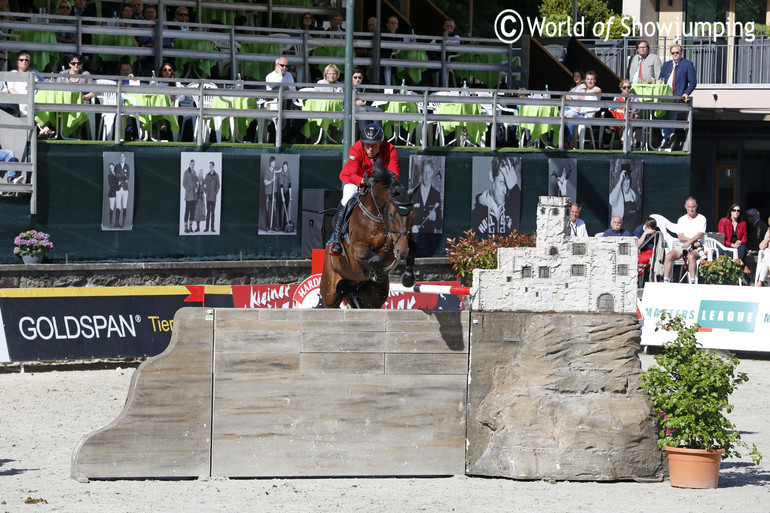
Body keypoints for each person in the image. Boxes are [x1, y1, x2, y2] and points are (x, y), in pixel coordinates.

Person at [329, 123, 399, 256]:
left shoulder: (390, 149)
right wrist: (364, 181)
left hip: (379, 182)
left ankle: (400, 237)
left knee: (398, 198)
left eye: (374, 145)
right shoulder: (355, 148)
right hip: (357, 180)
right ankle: (337, 239)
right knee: (348, 197)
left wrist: (379, 181)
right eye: (367, 145)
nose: (370, 149)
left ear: (381, 143)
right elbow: (352, 174)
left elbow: (394, 173)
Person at [657, 44, 696, 151]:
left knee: (671, 118)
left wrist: (686, 93)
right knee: (656, 115)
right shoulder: (666, 64)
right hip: (663, 96)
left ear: (681, 52)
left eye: (677, 53)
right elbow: (660, 79)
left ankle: (665, 143)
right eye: (673, 53)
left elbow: (693, 82)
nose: (675, 54)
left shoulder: (688, 64)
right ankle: (669, 136)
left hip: (677, 96)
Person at [471, 156, 521, 234]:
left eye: (509, 185)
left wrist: (514, 189)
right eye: (502, 182)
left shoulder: (514, 209)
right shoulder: (475, 216)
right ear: (491, 176)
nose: (505, 191)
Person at [663, 197, 706, 284]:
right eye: (689, 207)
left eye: (693, 207)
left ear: (696, 206)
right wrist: (691, 241)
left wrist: (690, 242)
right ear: (685, 207)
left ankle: (692, 281)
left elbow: (700, 234)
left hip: (698, 247)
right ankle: (666, 280)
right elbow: (680, 237)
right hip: (683, 246)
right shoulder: (681, 220)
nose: (691, 209)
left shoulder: (701, 218)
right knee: (668, 256)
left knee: (691, 256)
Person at [564, 70, 601, 148]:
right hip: (579, 113)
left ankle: (567, 142)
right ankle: (559, 141)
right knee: (561, 114)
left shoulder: (596, 89)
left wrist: (584, 92)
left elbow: (598, 91)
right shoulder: (583, 89)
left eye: (591, 79)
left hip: (588, 116)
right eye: (588, 79)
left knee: (572, 118)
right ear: (585, 80)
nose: (589, 81)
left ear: (595, 80)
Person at [412, 158, 443, 234]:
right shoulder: (413, 192)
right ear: (421, 173)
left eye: (429, 172)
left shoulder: (436, 194)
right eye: (425, 172)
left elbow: (439, 225)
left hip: (430, 237)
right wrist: (412, 226)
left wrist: (435, 218)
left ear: (432, 173)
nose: (426, 176)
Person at [351, 67, 382, 133]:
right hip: (351, 107)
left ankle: (377, 134)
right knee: (363, 110)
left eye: (360, 78)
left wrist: (365, 102)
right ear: (351, 77)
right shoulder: (346, 87)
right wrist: (354, 102)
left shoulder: (364, 86)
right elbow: (342, 102)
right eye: (355, 77)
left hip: (363, 106)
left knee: (378, 110)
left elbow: (371, 98)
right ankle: (364, 134)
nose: (357, 80)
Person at [609, 163, 639, 231]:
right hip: (620, 232)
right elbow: (612, 201)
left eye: (628, 180)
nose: (626, 183)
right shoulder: (617, 193)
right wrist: (620, 180)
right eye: (624, 180)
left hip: (633, 231)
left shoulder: (632, 193)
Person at [114, 152, 131, 229]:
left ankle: (123, 223)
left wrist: (122, 176)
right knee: (118, 205)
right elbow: (116, 176)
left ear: (125, 158)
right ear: (119, 158)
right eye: (120, 157)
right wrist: (123, 175)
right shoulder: (117, 166)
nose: (122, 158)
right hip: (118, 188)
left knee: (124, 205)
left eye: (123, 157)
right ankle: (117, 223)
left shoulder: (127, 166)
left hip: (125, 189)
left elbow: (128, 177)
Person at [203, 161, 220, 233]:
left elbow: (218, 185)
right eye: (209, 166)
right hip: (208, 197)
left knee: (213, 212)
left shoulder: (216, 175)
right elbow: (204, 184)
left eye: (211, 166)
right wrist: (206, 191)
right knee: (208, 212)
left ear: (213, 166)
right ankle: (206, 228)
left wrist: (215, 193)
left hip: (213, 197)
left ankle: (212, 228)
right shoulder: (207, 175)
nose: (210, 167)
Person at [182, 159, 197, 233]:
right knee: (187, 211)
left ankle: (190, 227)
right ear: (189, 164)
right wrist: (188, 189)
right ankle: (185, 228)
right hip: (188, 196)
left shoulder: (194, 172)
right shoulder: (186, 172)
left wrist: (197, 187)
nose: (193, 165)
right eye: (191, 164)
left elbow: (196, 182)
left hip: (194, 196)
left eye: (194, 164)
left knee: (192, 212)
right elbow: (184, 183)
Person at [106, 162, 119, 227]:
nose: (111, 168)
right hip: (112, 193)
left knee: (118, 207)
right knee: (112, 208)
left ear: (114, 167)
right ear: (109, 169)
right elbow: (111, 185)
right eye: (110, 167)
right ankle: (110, 224)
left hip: (118, 193)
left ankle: (116, 223)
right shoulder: (109, 175)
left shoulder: (117, 174)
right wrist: (118, 184)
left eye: (112, 167)